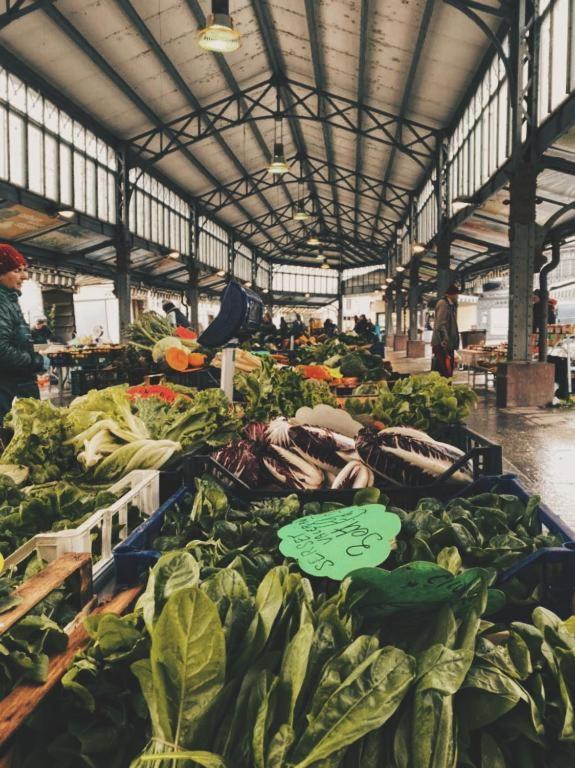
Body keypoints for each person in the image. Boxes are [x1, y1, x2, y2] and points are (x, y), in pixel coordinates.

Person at [0, 244, 45, 421]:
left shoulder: (8, 300)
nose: (25, 276)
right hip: (7, 394)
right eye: (18, 270)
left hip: (15, 389)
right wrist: (34, 361)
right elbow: (1, 350)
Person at [431, 283, 460, 378]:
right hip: (442, 344)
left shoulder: (450, 305)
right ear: (449, 294)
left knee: (447, 370)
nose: (457, 297)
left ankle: (446, 388)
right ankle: (443, 388)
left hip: (448, 345)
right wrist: (445, 339)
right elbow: (440, 324)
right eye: (456, 294)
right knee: (444, 370)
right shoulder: (443, 303)